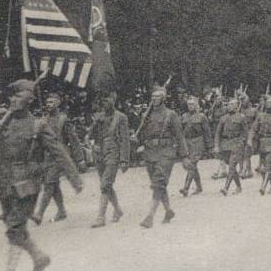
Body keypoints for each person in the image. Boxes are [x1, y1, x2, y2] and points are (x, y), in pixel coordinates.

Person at [0, 79, 84, 271]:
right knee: (14, 226)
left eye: (18, 96)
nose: (13, 99)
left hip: (27, 184)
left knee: (15, 226)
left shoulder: (37, 125)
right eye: (12, 96)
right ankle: (38, 258)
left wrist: (75, 179)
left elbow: (59, 152)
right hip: (6, 183)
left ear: (29, 100)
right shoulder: (3, 123)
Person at [135, 87, 191, 228]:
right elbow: (142, 133)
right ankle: (168, 211)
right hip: (150, 152)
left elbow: (179, 136)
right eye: (152, 97)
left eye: (157, 97)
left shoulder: (171, 115)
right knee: (159, 184)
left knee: (158, 182)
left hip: (166, 151)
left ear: (163, 99)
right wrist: (137, 139)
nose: (153, 99)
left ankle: (150, 216)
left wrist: (184, 156)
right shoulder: (147, 115)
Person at [31, 92, 85, 225]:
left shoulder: (63, 119)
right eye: (47, 102)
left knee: (49, 183)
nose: (48, 105)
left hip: (59, 156)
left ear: (58, 103)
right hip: (47, 157)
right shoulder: (44, 119)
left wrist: (80, 158)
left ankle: (39, 213)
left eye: (51, 102)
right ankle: (61, 211)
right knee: (53, 184)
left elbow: (73, 140)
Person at [89, 91, 130, 228]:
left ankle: (101, 217)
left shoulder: (121, 117)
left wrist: (124, 159)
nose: (105, 103)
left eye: (108, 100)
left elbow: (125, 139)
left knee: (105, 184)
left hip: (114, 151)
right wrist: (95, 123)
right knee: (105, 184)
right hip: (99, 153)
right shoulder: (100, 117)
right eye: (103, 101)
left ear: (114, 100)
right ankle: (118, 210)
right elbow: (91, 136)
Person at [214, 98, 246, 195]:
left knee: (232, 166)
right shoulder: (223, 118)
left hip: (236, 144)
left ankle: (225, 188)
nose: (230, 106)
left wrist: (241, 143)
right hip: (225, 145)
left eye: (232, 104)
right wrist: (216, 145)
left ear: (237, 106)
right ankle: (239, 187)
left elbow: (245, 133)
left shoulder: (241, 117)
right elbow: (218, 133)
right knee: (232, 167)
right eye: (229, 104)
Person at [181, 96, 212, 196]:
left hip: (198, 141)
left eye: (192, 104)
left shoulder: (202, 117)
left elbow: (207, 132)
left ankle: (186, 188)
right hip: (187, 142)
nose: (190, 106)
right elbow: (181, 131)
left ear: (196, 105)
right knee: (193, 167)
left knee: (192, 164)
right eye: (189, 104)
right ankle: (199, 187)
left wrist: (209, 146)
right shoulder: (184, 116)